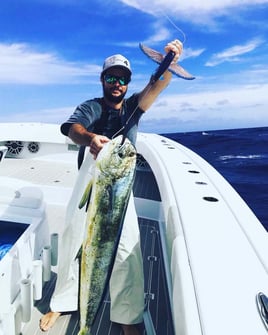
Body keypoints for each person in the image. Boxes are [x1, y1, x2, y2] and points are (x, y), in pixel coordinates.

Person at [40, 39, 183, 335]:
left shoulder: (134, 107)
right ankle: (63, 301)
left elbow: (157, 86)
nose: (117, 83)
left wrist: (169, 62)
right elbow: (73, 129)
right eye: (111, 77)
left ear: (128, 83)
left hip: (119, 183)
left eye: (122, 79)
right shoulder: (91, 107)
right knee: (74, 239)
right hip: (91, 179)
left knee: (126, 248)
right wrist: (91, 138)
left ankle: (127, 315)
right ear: (102, 79)